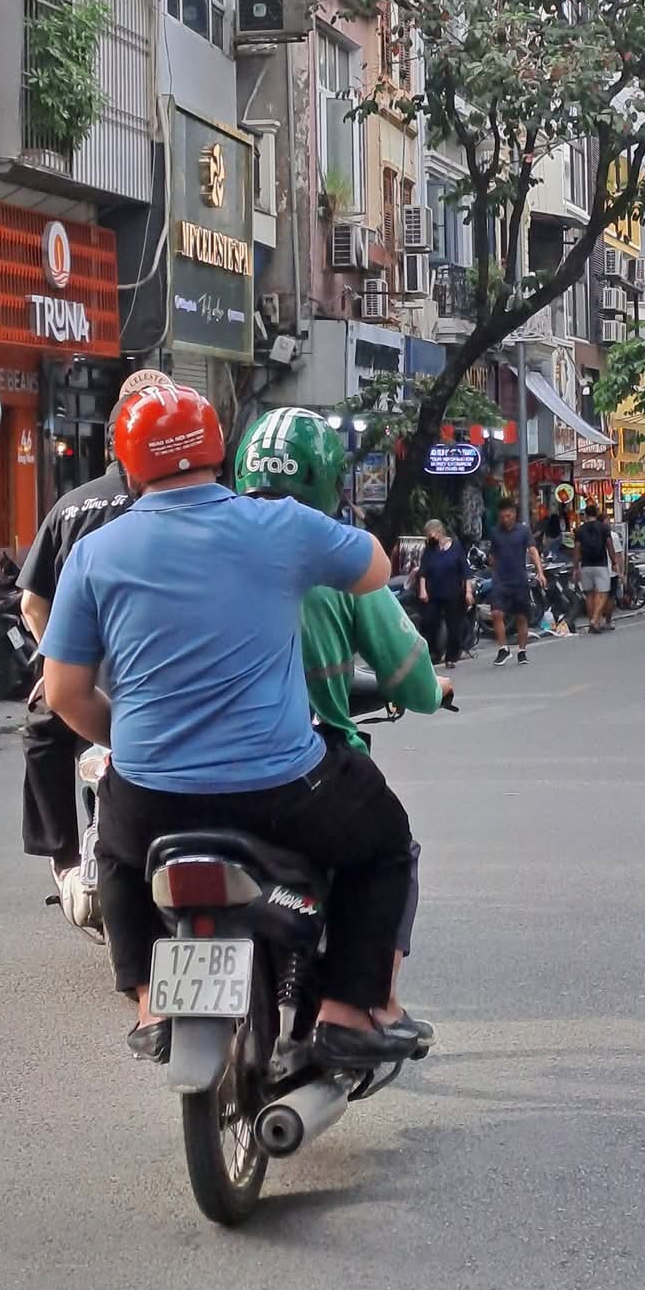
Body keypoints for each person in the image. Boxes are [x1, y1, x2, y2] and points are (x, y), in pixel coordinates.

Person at [41, 383, 416, 1069]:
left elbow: (64, 692)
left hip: (152, 797)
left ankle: (154, 1000)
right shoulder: (281, 528)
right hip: (282, 788)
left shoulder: (96, 552)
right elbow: (377, 569)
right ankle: (349, 1009)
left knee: (117, 856)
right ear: (220, 453)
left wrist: (131, 742)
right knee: (385, 842)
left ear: (128, 466)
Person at [233, 407, 452, 1040]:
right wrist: (431, 689)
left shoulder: (201, 546)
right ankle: (362, 1004)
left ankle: (147, 994)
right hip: (305, 764)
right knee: (389, 845)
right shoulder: (337, 558)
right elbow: (408, 676)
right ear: (330, 479)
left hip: (187, 770)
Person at [16, 369, 174, 925]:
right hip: (162, 677)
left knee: (42, 735)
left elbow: (32, 605)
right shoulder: (188, 505)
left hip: (81, 678)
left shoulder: (70, 507)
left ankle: (62, 857)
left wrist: (55, 658)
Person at [488, 498, 544, 666]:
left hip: (519, 579)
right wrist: (493, 567)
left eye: (508, 516)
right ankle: (503, 649)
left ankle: (522, 651)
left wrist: (540, 572)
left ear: (514, 514)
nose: (505, 519)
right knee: (496, 613)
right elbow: (492, 555)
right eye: (502, 516)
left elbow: (533, 551)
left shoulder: (523, 531)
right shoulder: (495, 532)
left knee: (521, 617)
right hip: (500, 579)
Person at [416, 517, 473, 667]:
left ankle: (451, 657)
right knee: (429, 624)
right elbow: (423, 571)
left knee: (454, 627)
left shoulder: (455, 547)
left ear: (438, 532)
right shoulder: (430, 549)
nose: (428, 536)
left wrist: (468, 591)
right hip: (434, 593)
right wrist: (423, 590)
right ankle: (434, 654)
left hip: (453, 593)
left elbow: (465, 571)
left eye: (430, 533)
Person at [577, 503, 618, 634]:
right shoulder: (604, 528)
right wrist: (614, 561)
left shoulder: (580, 530)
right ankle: (595, 620)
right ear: (596, 513)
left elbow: (576, 549)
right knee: (604, 593)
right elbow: (609, 545)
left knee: (589, 594)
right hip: (601, 564)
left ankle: (592, 623)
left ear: (586, 515)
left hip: (585, 565)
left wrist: (574, 567)